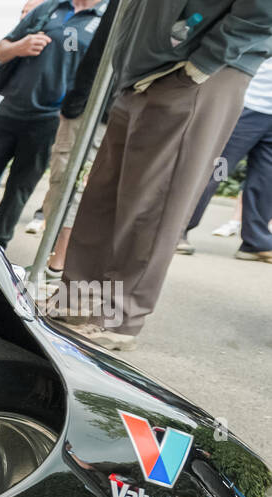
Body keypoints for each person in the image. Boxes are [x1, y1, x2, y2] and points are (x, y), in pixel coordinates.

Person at [58, 0, 272, 350]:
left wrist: (202, 64)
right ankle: (78, 299)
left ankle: (120, 317)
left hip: (197, 67)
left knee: (155, 202)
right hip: (143, 67)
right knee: (103, 195)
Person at [0, 0, 107, 251]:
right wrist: (21, 46)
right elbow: (1, 49)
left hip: (52, 119)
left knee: (18, 191)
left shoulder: (106, 17)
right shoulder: (50, 7)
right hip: (9, 110)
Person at [31, 0, 119, 277]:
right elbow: (97, 52)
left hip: (113, 108)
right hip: (82, 103)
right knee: (60, 179)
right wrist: (74, 100)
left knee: (80, 185)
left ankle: (59, 263)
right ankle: (52, 256)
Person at [178, 58, 272, 264]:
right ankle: (177, 230)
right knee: (216, 172)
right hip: (247, 108)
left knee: (266, 181)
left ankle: (256, 243)